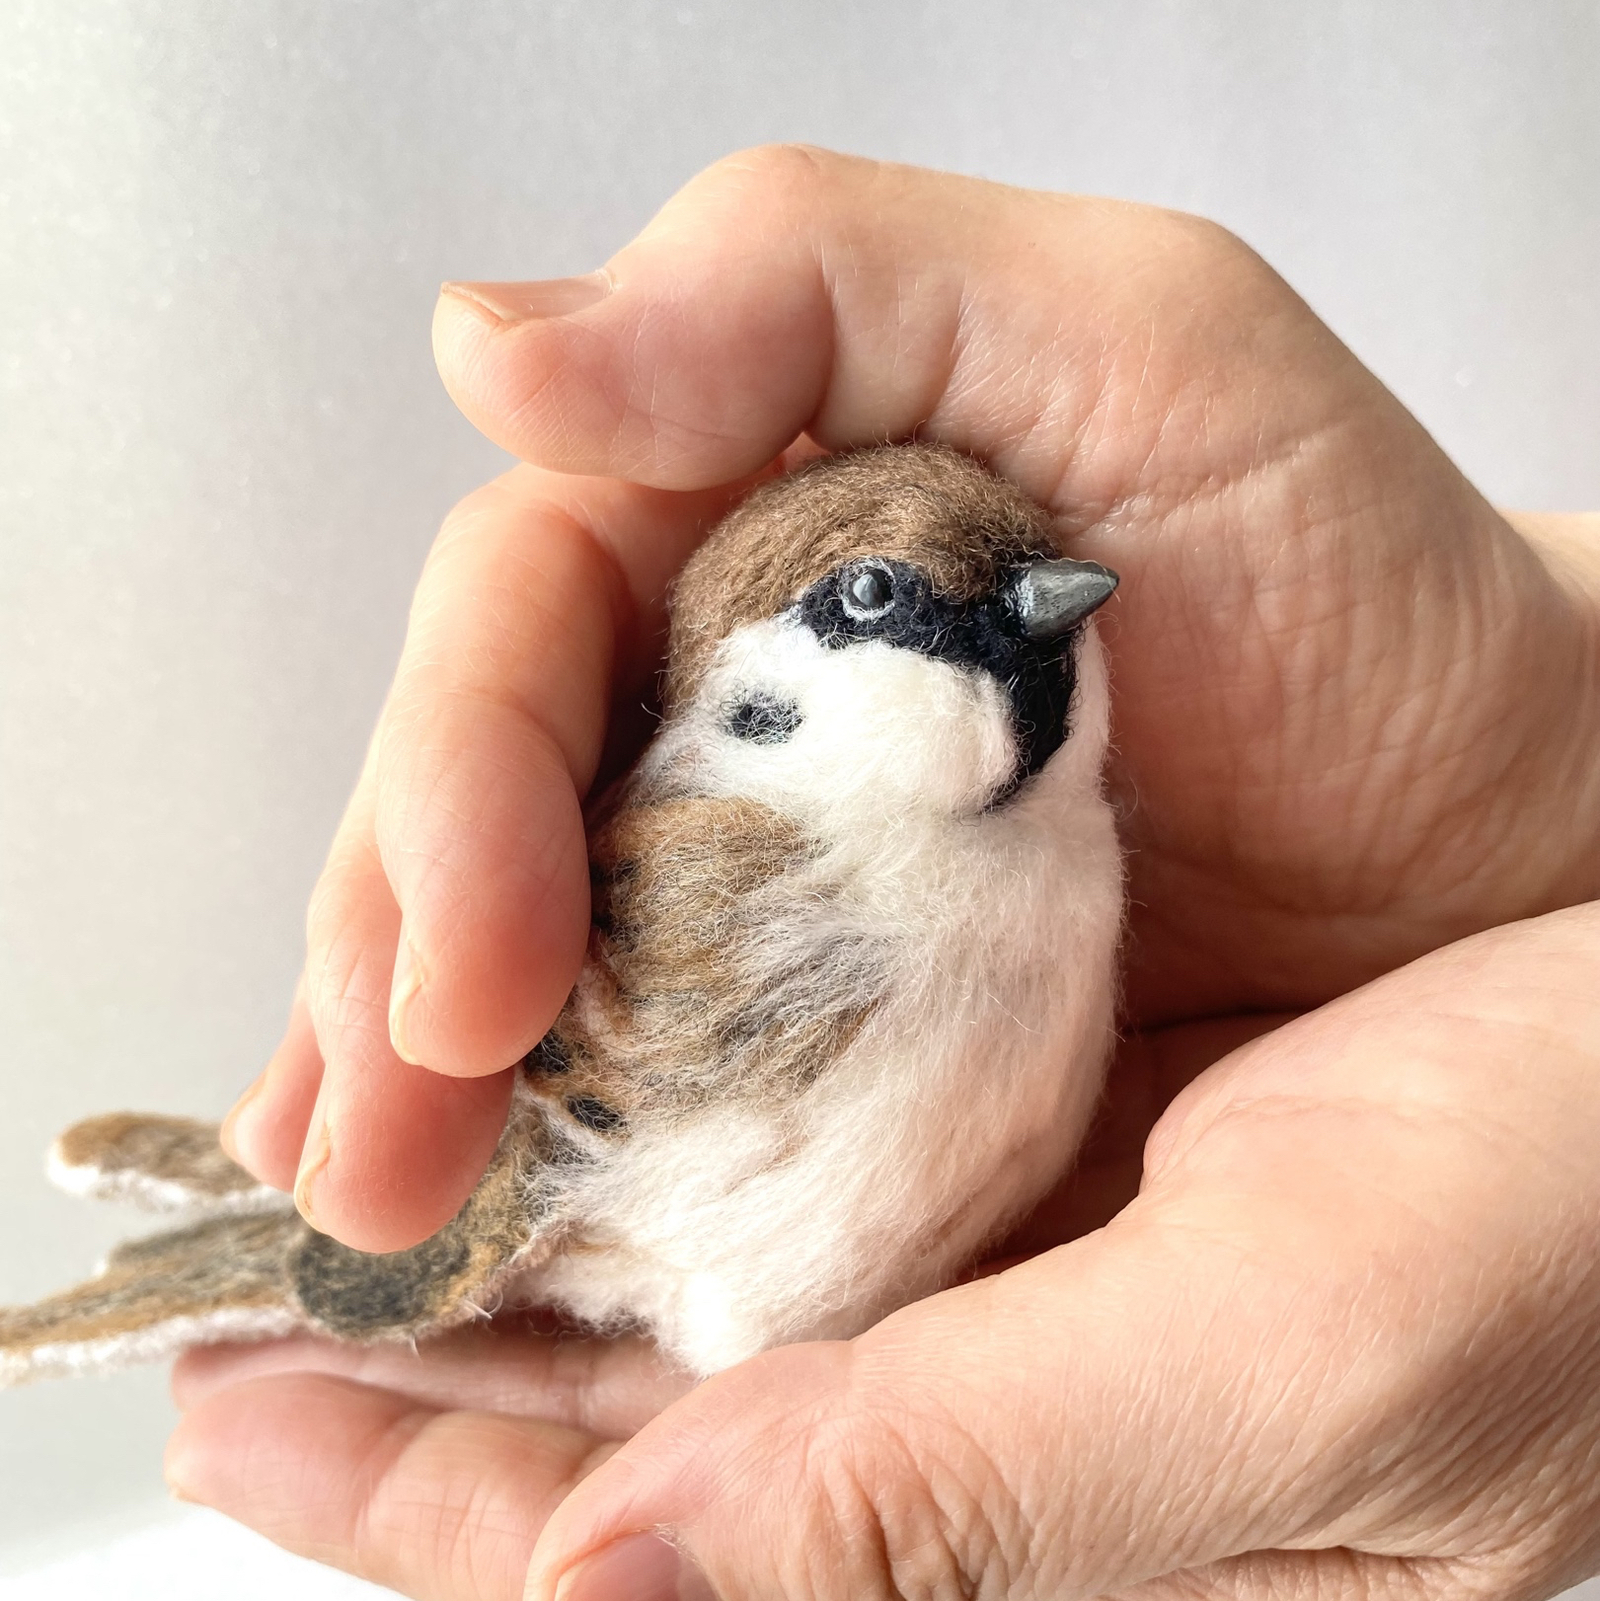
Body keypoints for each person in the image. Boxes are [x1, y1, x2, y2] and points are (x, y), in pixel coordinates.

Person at [163, 148, 1600, 1601]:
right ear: (762, 698)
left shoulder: (1061, 842)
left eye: (1030, 591)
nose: (1045, 614)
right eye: (886, 599)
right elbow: (539, 1160)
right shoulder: (771, 879)